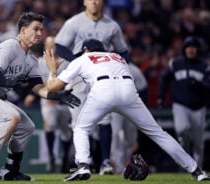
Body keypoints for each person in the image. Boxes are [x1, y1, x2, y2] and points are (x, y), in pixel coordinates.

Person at [43, 38, 210, 182]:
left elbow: (53, 86)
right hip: (128, 91)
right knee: (158, 134)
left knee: (81, 128)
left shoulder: (83, 58)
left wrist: (52, 71)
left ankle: (84, 166)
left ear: (86, 50)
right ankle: (197, 171)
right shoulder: (117, 57)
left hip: (103, 90)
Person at [0, 12, 80, 181]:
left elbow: (37, 87)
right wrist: (15, 83)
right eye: (36, 29)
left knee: (27, 126)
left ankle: (11, 170)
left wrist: (56, 95)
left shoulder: (31, 60)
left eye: (41, 29)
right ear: (23, 30)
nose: (40, 33)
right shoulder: (11, 46)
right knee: (11, 117)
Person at [54, 0, 129, 173]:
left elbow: (123, 51)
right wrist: (78, 62)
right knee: (78, 121)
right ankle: (84, 163)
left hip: (102, 77)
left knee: (105, 118)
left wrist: (117, 67)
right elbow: (60, 46)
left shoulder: (111, 25)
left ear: (102, 1)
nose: (93, 2)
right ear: (84, 2)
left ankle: (104, 162)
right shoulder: (74, 22)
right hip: (79, 77)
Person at [158, 36, 210, 168]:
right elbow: (164, 79)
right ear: (184, 49)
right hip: (180, 104)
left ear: (197, 50)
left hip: (199, 106)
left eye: (193, 47)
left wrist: (200, 85)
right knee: (182, 129)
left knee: (199, 141)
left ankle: (198, 168)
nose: (191, 50)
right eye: (188, 47)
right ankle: (184, 150)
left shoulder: (204, 66)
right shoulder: (175, 63)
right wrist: (161, 97)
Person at [32, 36, 72, 173]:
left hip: (64, 101)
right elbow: (36, 83)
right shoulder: (39, 62)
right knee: (50, 125)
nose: (51, 49)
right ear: (44, 48)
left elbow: (70, 83)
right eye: (48, 46)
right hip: (48, 100)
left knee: (67, 132)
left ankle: (66, 158)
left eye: (54, 46)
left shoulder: (65, 63)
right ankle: (51, 156)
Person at [110, 62, 148, 174]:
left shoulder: (133, 70)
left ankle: (129, 166)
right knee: (115, 135)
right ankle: (117, 166)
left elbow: (143, 89)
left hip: (130, 107)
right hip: (114, 107)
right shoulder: (107, 68)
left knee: (130, 139)